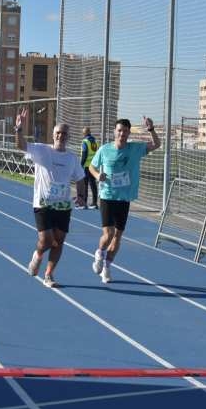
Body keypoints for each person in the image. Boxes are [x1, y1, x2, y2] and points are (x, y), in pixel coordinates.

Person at [14, 107, 83, 288]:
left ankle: (49, 274)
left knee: (58, 241)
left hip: (63, 206)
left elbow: (80, 178)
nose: (61, 136)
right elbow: (21, 145)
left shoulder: (72, 158)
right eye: (58, 133)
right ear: (53, 135)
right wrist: (19, 129)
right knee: (46, 240)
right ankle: (37, 256)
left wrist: (81, 195)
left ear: (68, 137)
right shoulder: (41, 150)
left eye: (64, 134)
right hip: (43, 203)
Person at [88, 116, 160, 284]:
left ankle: (107, 267)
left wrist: (151, 129)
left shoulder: (135, 149)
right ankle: (99, 253)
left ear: (129, 133)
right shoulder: (105, 149)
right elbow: (92, 166)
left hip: (124, 198)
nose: (122, 134)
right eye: (119, 130)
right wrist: (98, 175)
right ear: (115, 131)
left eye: (125, 131)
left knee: (118, 236)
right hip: (107, 196)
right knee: (108, 234)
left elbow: (156, 144)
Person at [77, 127, 100, 209]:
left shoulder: (85, 142)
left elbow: (84, 155)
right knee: (93, 184)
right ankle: (94, 203)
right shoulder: (95, 142)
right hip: (93, 166)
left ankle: (84, 202)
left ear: (84, 133)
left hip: (86, 166)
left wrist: (80, 165)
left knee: (85, 185)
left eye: (83, 133)